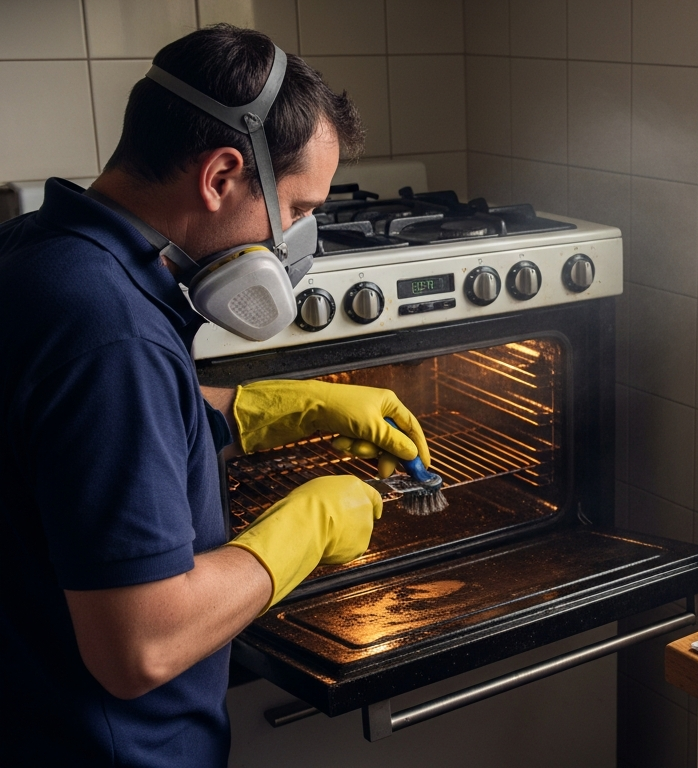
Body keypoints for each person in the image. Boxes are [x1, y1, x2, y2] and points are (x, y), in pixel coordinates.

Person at [0, 26, 432, 765]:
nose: (294, 241)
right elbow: (141, 644)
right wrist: (309, 525)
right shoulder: (111, 334)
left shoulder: (43, 253)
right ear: (222, 175)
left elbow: (84, 436)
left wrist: (271, 408)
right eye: (296, 210)